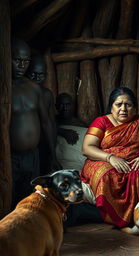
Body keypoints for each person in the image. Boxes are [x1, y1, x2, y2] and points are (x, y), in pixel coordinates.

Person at [80, 87, 139, 227]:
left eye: (128, 105)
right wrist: (110, 158)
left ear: (134, 109)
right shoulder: (102, 122)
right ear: (111, 107)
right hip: (107, 160)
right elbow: (87, 148)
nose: (123, 109)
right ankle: (116, 217)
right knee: (106, 175)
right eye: (118, 104)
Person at [10, 38, 61, 207]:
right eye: (17, 60)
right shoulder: (5, 88)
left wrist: (53, 155)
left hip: (33, 156)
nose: (21, 65)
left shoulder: (34, 88)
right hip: (10, 155)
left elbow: (46, 122)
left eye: (26, 61)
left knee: (30, 198)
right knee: (9, 197)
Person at [26, 55, 56, 174]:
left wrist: (53, 152)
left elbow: (50, 123)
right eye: (33, 74)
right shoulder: (19, 92)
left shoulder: (47, 94)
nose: (37, 78)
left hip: (43, 144)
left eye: (41, 74)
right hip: (26, 146)